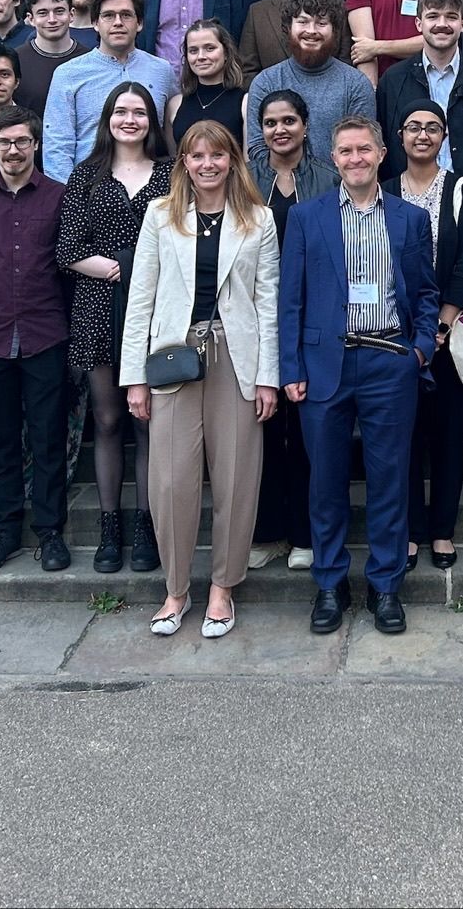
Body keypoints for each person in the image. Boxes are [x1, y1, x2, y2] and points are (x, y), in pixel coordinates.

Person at [278, 117, 439, 637]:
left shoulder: (411, 219)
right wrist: (290, 366)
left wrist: (419, 350)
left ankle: (386, 586)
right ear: (333, 158)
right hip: (324, 364)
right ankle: (330, 583)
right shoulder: (307, 216)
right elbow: (290, 298)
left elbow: (426, 291)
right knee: (325, 482)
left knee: (389, 481)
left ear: (381, 153)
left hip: (389, 362)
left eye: (364, 149)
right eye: (345, 151)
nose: (355, 159)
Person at [120, 123, 281, 638]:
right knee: (170, 480)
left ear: (232, 160)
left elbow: (268, 302)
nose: (207, 164)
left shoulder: (258, 219)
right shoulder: (160, 216)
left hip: (236, 357)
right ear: (184, 163)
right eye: (197, 156)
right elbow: (140, 299)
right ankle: (175, 590)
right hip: (174, 358)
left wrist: (268, 378)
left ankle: (222, 588)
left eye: (217, 155)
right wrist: (134, 378)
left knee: (236, 477)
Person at [0, 108, 74, 575]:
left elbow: (67, 268)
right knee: (1, 439)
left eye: (22, 141)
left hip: (46, 334)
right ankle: (4, 530)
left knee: (48, 437)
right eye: (4, 142)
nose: (13, 150)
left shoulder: (60, 197)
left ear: (35, 144)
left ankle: (50, 531)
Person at [59, 83, 175, 574]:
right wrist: (122, 268)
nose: (130, 120)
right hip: (98, 305)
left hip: (156, 308)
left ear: (152, 120)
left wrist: (142, 275)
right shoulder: (86, 175)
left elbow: (184, 237)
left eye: (140, 112)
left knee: (148, 421)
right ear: (107, 118)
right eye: (121, 111)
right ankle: (110, 527)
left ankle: (147, 524)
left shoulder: (171, 174)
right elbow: (68, 249)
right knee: (107, 420)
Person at [247, 88, 337, 572]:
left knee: (306, 432)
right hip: (256, 316)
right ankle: (267, 532)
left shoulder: (327, 177)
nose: (279, 130)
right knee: (261, 428)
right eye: (270, 122)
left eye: (288, 121)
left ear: (305, 125)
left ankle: (305, 533)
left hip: (312, 316)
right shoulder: (246, 177)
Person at [393, 99, 463, 573]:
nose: (423, 135)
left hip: (449, 332)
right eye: (414, 127)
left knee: (449, 435)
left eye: (432, 127)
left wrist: (440, 327)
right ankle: (411, 531)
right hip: (395, 334)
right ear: (400, 136)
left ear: (444, 135)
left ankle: (442, 530)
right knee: (403, 437)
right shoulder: (384, 190)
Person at [376, 0, 463, 195]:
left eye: (451, 17)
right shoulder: (392, 81)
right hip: (407, 201)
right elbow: (384, 146)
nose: (442, 24)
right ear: (419, 24)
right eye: (433, 16)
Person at [43, 0, 177, 181]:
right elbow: (57, 146)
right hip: (88, 188)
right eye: (108, 16)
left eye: (126, 15)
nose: (118, 23)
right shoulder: (68, 74)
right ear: (95, 23)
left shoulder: (162, 71)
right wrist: (70, 194)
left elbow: (172, 133)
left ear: (139, 23)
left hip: (151, 188)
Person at [244, 0, 376, 166]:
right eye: (303, 22)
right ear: (288, 28)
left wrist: (323, 179)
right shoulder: (266, 83)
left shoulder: (355, 84)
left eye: (321, 23)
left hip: (339, 181)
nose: (311, 30)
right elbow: (258, 148)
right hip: (278, 181)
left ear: (335, 31)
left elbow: (360, 150)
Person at [166, 18, 249, 151]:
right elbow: (173, 158)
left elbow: (249, 161)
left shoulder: (245, 102)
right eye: (193, 50)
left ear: (226, 52)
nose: (201, 56)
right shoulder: (175, 104)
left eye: (210, 48)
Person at [15, 0, 93, 115]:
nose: (52, 20)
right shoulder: (15, 61)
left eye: (59, 11)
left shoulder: (90, 60)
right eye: (43, 13)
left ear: (71, 14)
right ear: (31, 19)